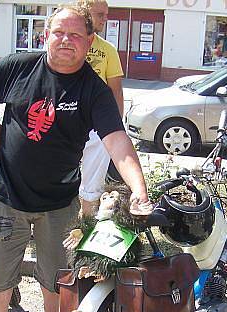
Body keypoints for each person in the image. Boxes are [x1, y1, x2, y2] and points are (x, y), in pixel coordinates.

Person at [0, 5, 150, 312]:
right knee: (2, 269)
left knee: (57, 271)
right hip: (9, 194)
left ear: (90, 41)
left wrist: (140, 189)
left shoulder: (93, 90)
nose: (66, 41)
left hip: (60, 200)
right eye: (59, 33)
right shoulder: (20, 66)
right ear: (45, 35)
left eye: (76, 35)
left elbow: (117, 141)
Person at [77, 0, 125, 216]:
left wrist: (116, 126)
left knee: (92, 179)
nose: (105, 19)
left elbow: (116, 90)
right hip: (63, 120)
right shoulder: (68, 44)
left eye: (106, 14)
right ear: (85, 14)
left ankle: (85, 222)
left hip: (96, 125)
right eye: (100, 15)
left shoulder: (108, 50)